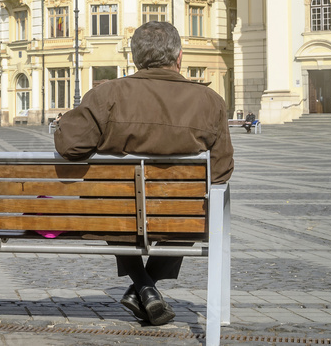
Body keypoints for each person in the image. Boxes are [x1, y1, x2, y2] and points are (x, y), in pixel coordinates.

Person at [53, 21, 234, 327]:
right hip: (180, 215)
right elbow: (220, 172)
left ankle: (143, 286)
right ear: (178, 58)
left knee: (113, 203)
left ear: (135, 59)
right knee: (196, 209)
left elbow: (70, 147)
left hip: (113, 214)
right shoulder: (210, 102)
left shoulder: (106, 94)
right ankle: (146, 287)